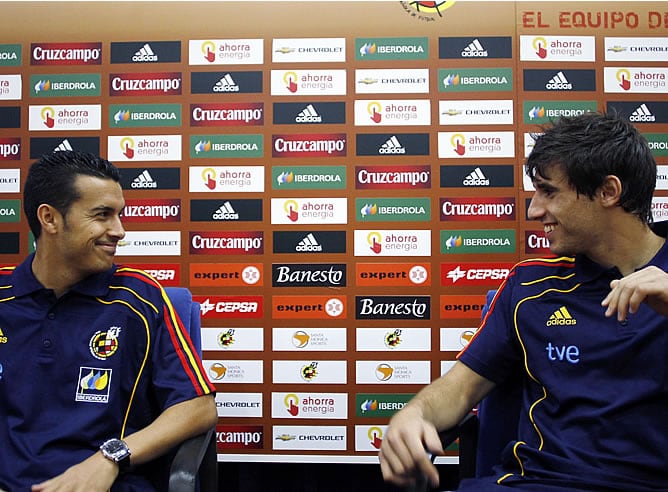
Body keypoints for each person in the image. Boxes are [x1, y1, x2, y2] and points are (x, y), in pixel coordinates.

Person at [379, 112, 668, 491]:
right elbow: (461, 389)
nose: (534, 210)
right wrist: (416, 415)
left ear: (608, 192)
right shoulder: (529, 285)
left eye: (549, 192)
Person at [0, 151, 217, 491]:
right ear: (50, 219)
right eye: (102, 215)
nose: (119, 231)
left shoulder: (140, 298)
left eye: (120, 215)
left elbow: (198, 407)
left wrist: (110, 457)